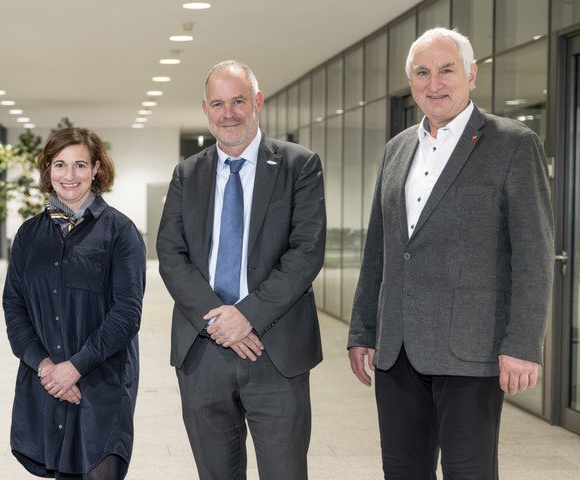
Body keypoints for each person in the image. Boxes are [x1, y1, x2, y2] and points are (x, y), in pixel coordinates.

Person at [348, 27, 554, 479]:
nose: (434, 83)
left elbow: (534, 253)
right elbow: (379, 249)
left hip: (472, 348)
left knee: (470, 472)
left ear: (472, 75)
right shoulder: (397, 150)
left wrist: (522, 344)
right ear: (411, 81)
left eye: (446, 70)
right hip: (398, 348)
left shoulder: (513, 144)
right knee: (401, 470)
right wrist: (363, 328)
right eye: (422, 72)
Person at [157, 61, 326, 480]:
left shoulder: (298, 165)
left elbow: (305, 253)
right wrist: (219, 319)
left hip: (275, 350)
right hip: (203, 349)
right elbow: (170, 253)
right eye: (218, 103)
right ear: (205, 108)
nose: (228, 113)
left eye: (238, 101)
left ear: (257, 103)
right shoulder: (187, 173)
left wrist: (245, 316)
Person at [3, 127, 145, 480]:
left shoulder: (120, 232)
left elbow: (127, 313)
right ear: (48, 169)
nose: (70, 176)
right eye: (60, 165)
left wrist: (75, 367)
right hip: (46, 379)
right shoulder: (29, 234)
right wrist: (46, 366)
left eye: (80, 165)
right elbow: (14, 306)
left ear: (96, 168)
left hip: (101, 379)